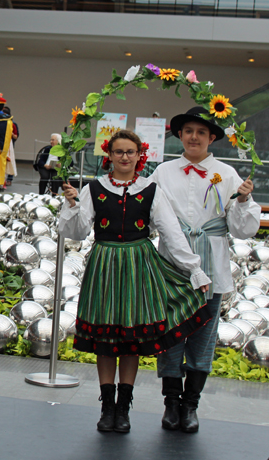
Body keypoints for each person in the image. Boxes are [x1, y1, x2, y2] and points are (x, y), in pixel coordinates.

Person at [59, 130, 212, 434]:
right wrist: (73, 205)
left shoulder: (151, 189)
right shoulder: (94, 189)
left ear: (139, 156)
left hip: (139, 265)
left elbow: (171, 232)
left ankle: (123, 407)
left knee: (130, 339)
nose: (125, 157)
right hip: (104, 265)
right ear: (110, 156)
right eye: (119, 152)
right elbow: (75, 233)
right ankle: (107, 407)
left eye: (131, 152)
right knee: (105, 341)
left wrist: (194, 269)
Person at [149, 106, 261, 433]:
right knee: (170, 334)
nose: (194, 137)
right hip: (171, 265)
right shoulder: (163, 172)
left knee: (203, 336)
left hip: (212, 268)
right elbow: (150, 211)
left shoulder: (227, 174)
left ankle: (190, 404)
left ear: (211, 138)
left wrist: (241, 203)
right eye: (188, 132)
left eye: (201, 132)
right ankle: (171, 402)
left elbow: (243, 229)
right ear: (180, 135)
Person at [3, 105, 18, 187]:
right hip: (0, 145)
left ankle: (9, 179)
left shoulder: (12, 124)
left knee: (10, 161)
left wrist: (10, 133)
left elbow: (16, 136)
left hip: (9, 146)